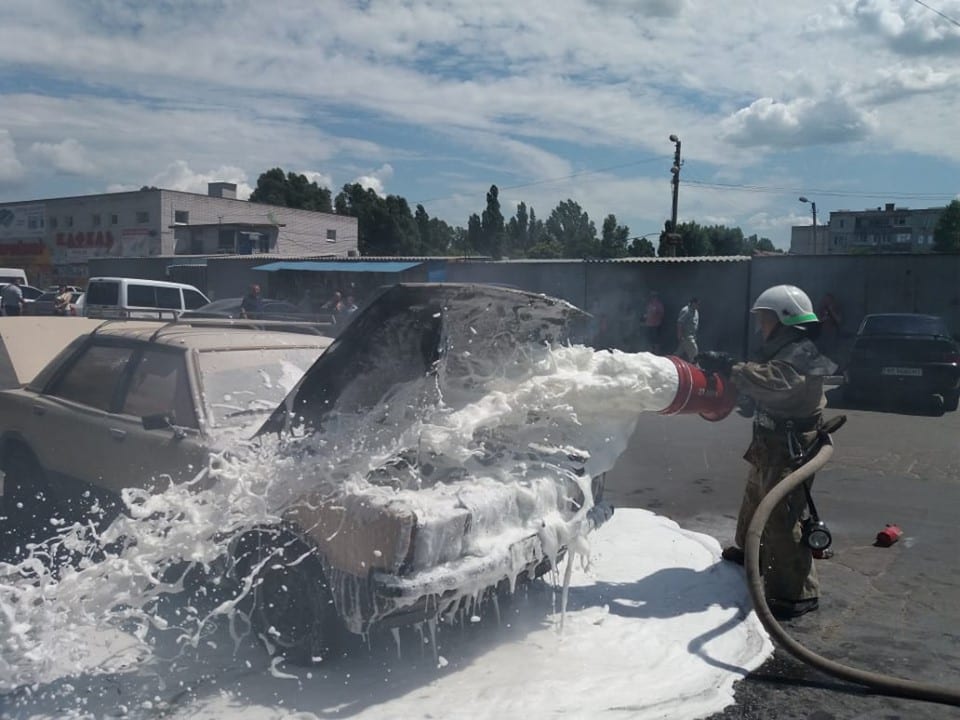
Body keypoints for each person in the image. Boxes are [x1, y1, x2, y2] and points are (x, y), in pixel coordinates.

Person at [718, 284, 837, 620]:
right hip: (771, 442)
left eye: (765, 318)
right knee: (756, 497)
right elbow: (767, 387)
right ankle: (751, 553)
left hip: (792, 448)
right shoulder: (781, 348)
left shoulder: (800, 353)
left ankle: (797, 592)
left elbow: (775, 383)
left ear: (784, 318)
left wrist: (734, 369)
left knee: (783, 514)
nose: (760, 325)